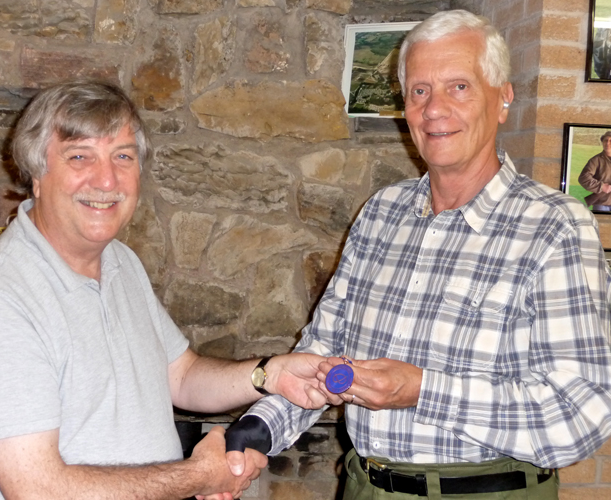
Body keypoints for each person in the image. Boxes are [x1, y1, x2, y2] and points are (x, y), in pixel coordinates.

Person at [225, 9, 611, 500]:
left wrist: (424, 389)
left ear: (503, 99)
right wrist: (256, 432)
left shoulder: (555, 226)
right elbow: (322, 353)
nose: (434, 109)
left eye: (460, 87)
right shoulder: (380, 213)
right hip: (365, 487)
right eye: (419, 91)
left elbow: (579, 418)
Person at [0, 81, 330, 500]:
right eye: (80, 156)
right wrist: (199, 476)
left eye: (123, 156)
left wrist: (270, 374)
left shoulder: (121, 262)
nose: (106, 180)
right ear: (36, 174)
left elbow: (182, 375)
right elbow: (40, 490)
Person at [578, 130, 611, 212]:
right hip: (601, 205)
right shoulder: (595, 160)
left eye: (610, 141)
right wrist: (601, 186)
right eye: (605, 140)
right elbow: (583, 178)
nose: (607, 143)